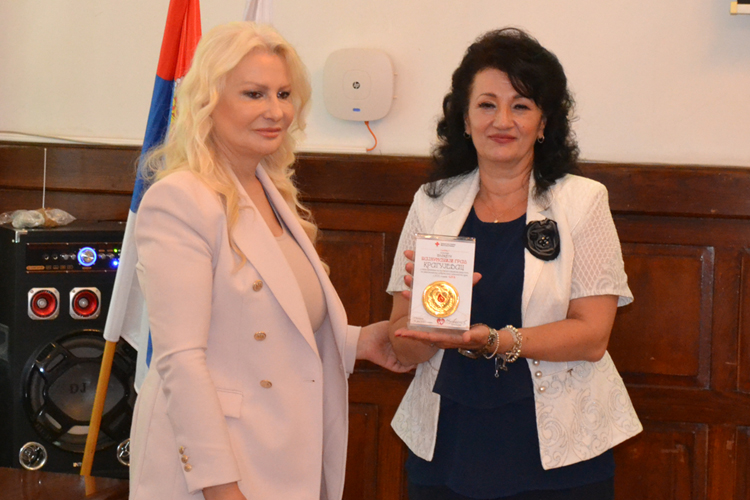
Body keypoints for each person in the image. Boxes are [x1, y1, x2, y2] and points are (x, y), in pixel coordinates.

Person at [128, 21, 412, 500]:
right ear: (208, 102)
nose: (275, 111)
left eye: (283, 94)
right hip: (217, 466)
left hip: (281, 449)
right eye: (254, 94)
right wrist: (221, 488)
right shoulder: (179, 199)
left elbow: (269, 322)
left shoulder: (271, 188)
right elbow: (181, 360)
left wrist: (359, 342)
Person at [387, 28, 642, 500]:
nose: (502, 121)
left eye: (521, 106)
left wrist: (494, 341)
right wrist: (426, 335)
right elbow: (402, 341)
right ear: (464, 119)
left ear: (544, 123)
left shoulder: (582, 202)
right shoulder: (431, 203)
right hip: (447, 443)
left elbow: (592, 336)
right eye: (487, 105)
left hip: (558, 451)